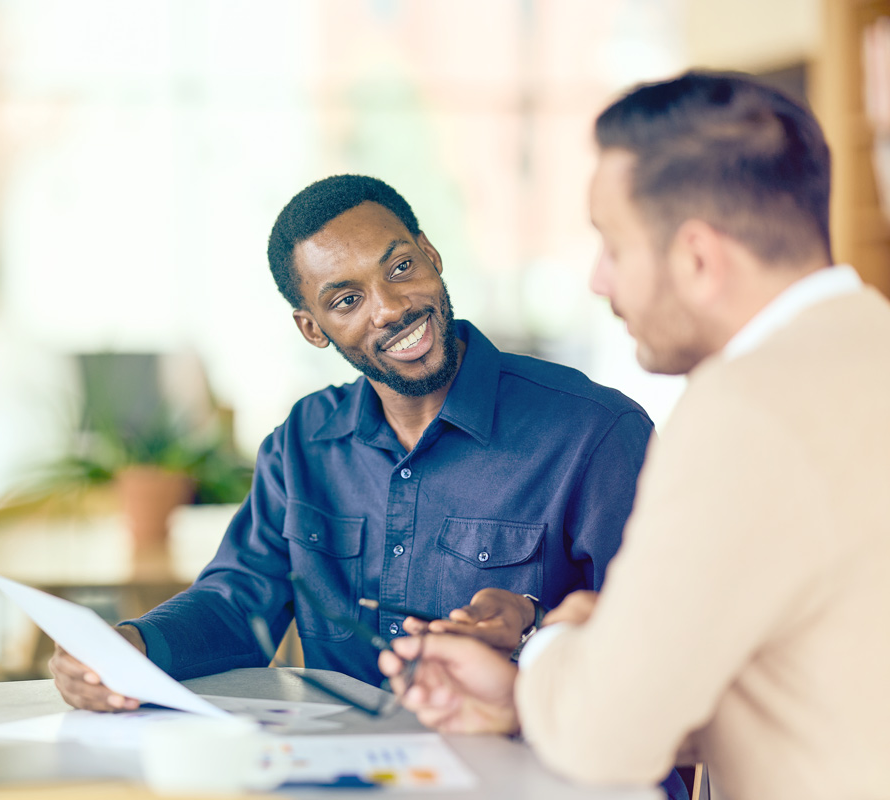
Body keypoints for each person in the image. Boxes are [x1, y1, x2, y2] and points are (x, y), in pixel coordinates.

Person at [381, 71, 890, 800]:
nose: (598, 280)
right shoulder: (868, 352)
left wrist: (566, 634)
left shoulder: (743, 413)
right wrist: (536, 686)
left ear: (696, 258)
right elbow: (821, 682)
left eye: (612, 246)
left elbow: (604, 740)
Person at [50, 174, 653, 713]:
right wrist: (129, 647)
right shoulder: (303, 442)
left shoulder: (594, 433)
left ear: (432, 255)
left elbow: (656, 646)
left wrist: (531, 628)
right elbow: (240, 602)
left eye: (400, 268)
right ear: (313, 329)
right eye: (346, 300)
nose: (390, 308)